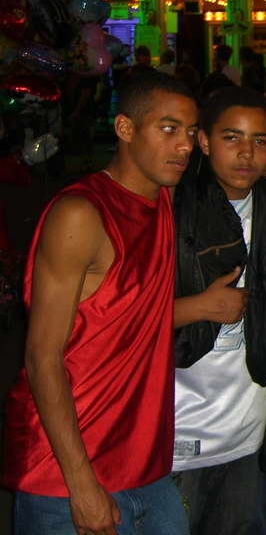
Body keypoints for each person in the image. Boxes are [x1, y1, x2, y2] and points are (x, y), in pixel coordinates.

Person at [2, 71, 198, 535]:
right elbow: (41, 356)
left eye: (192, 132)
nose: (185, 145)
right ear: (125, 128)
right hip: (66, 470)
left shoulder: (163, 195)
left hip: (143, 462)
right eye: (168, 129)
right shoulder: (82, 214)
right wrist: (81, 485)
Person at [171, 87, 266, 534]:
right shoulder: (167, 208)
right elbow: (112, 317)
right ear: (204, 142)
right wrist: (197, 308)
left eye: (260, 141)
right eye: (232, 138)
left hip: (247, 429)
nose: (247, 153)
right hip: (175, 429)